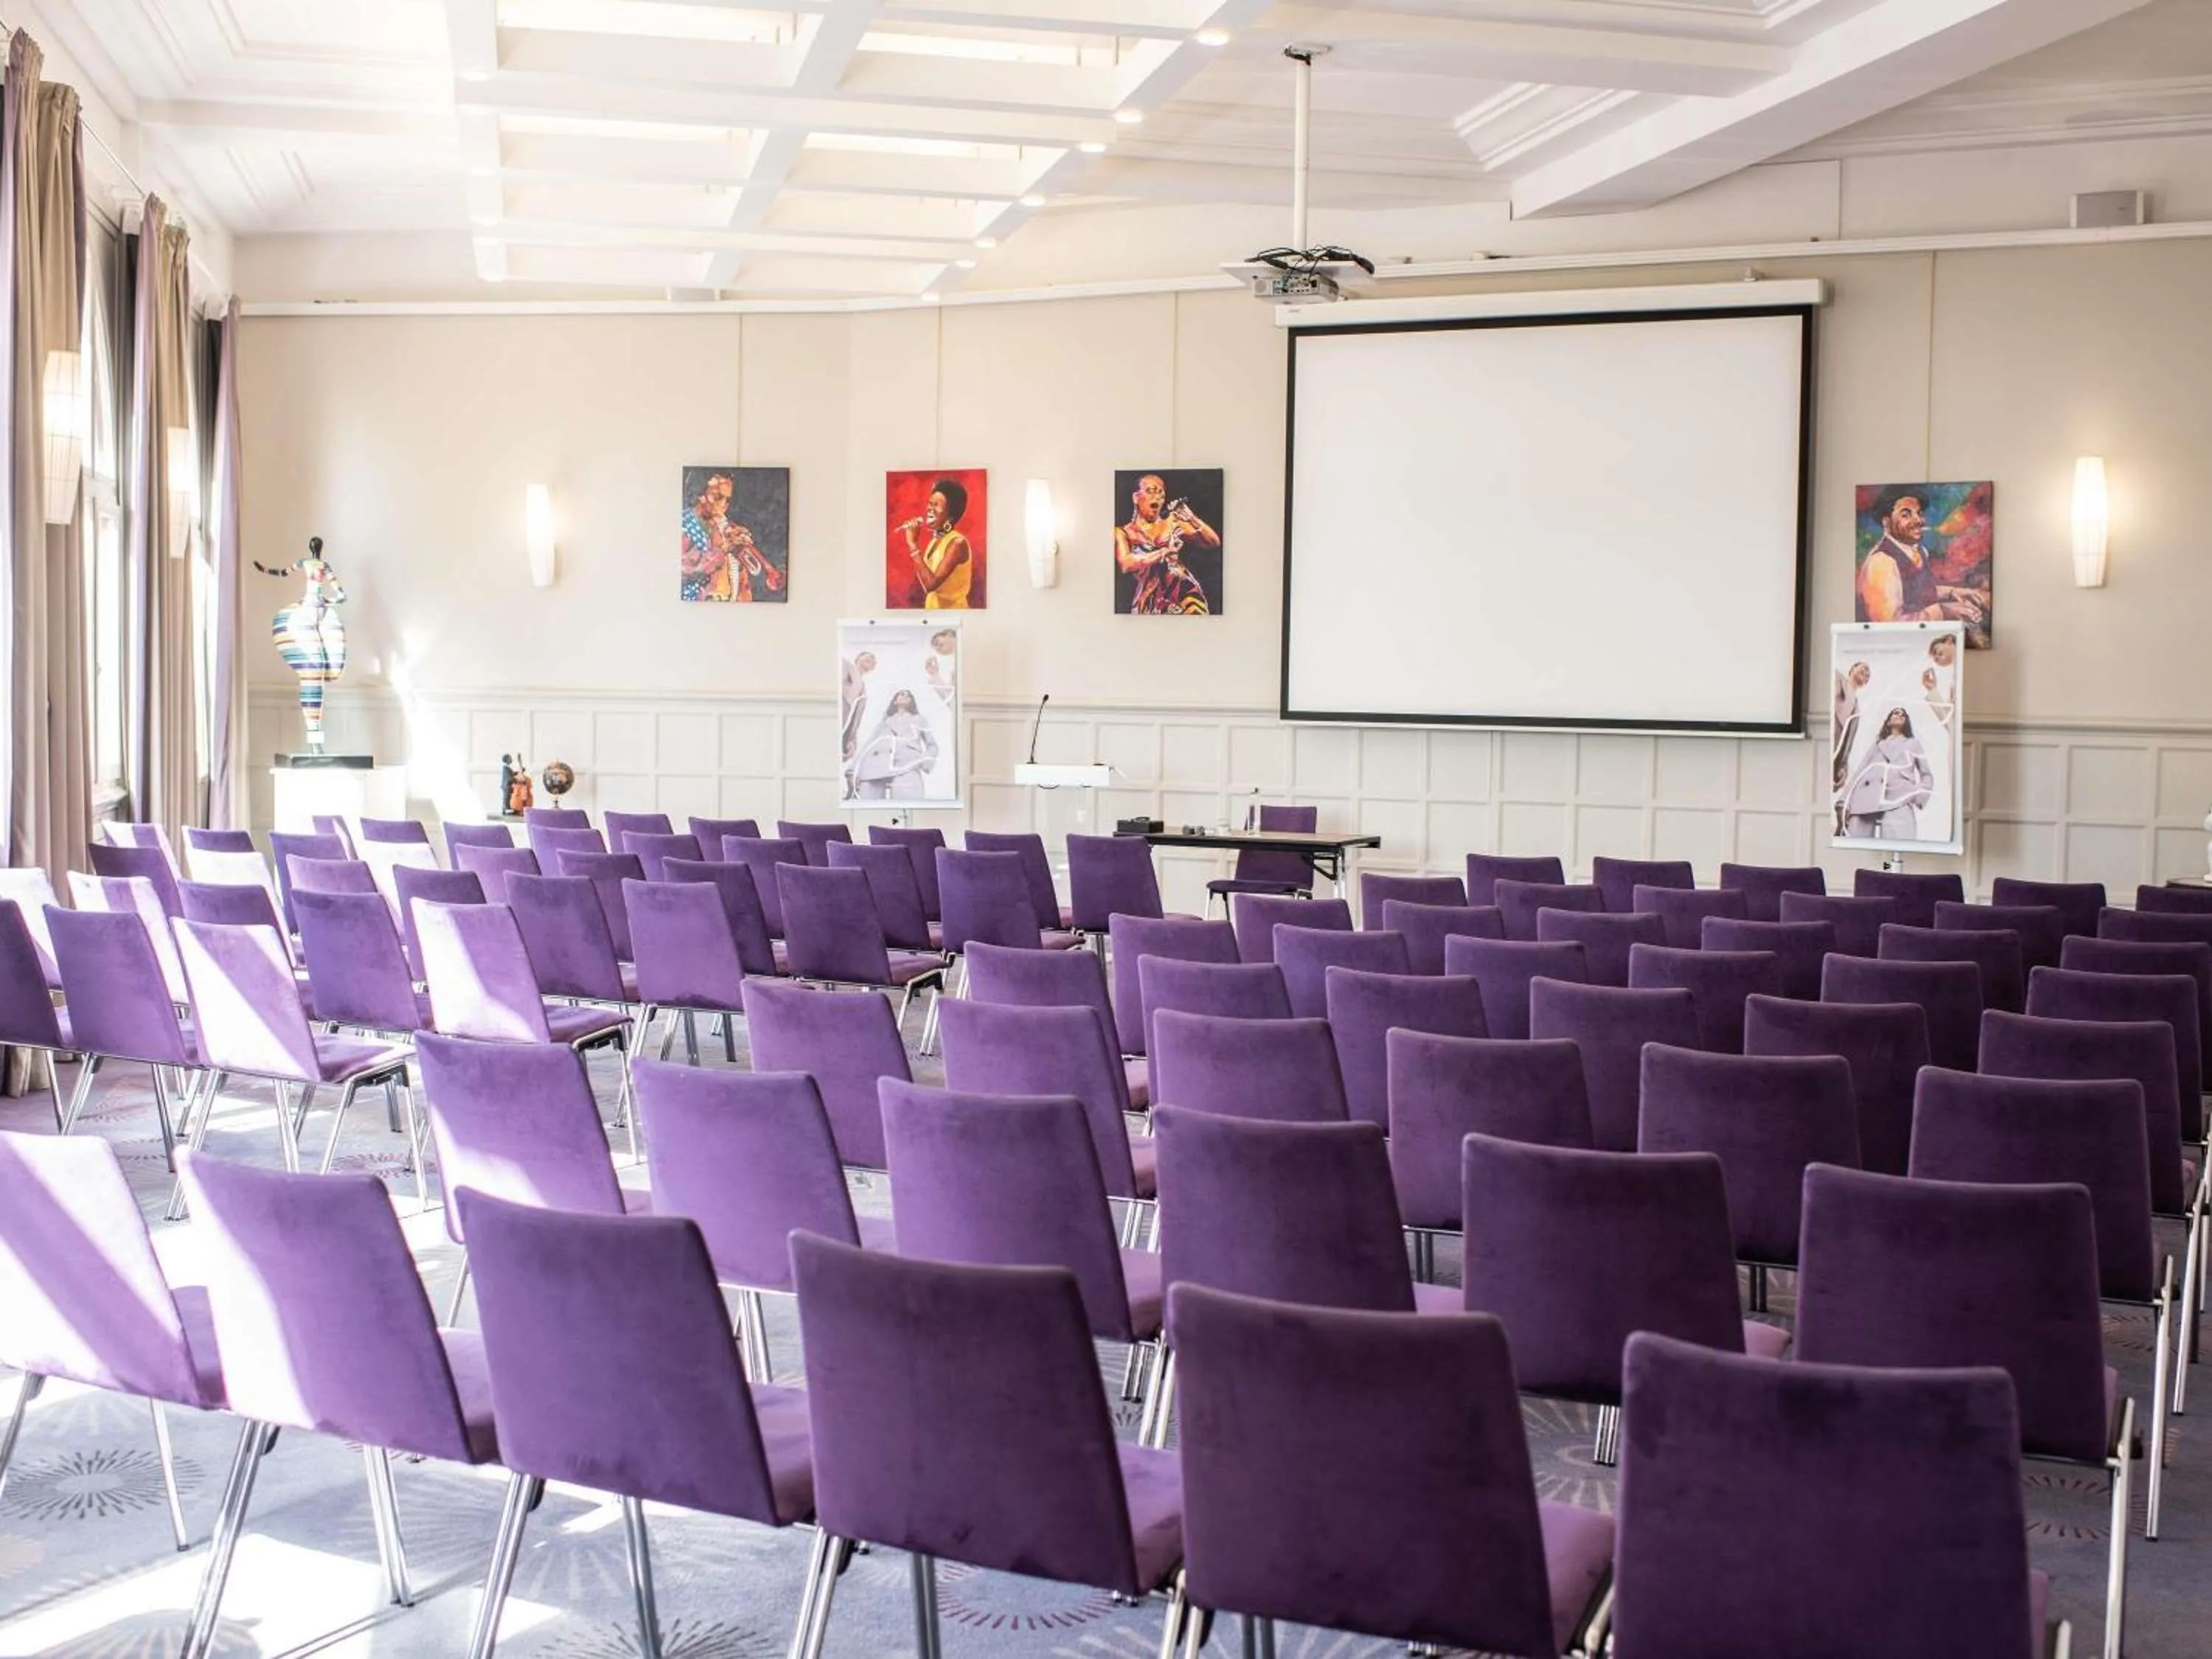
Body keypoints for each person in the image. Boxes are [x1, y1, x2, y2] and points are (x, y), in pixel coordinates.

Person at [1858, 489, 1985, 632]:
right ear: (1887, 523)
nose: (1918, 521)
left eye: (1919, 513)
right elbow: (1890, 624)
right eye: (1906, 515)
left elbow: (1914, 593)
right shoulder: (1881, 563)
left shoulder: (1919, 551)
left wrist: (1953, 592)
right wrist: (1944, 611)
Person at [1116, 473, 1220, 614]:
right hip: (1149, 601)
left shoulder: (1172, 523)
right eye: (1151, 491)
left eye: (1161, 494)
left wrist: (1192, 518)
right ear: (1136, 497)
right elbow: (1126, 564)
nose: (1157, 497)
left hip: (1184, 594)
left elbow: (1213, 542)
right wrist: (1165, 551)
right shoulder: (1123, 532)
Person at [1841, 708, 1933, 841]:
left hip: (1899, 798)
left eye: (1904, 715)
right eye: (1896, 713)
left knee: (1900, 844)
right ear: (1888, 721)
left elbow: (1926, 774)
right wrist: (1844, 802)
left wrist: (1917, 793)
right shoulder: (1878, 744)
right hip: (1866, 797)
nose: (1900, 715)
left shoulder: (1912, 744)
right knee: (1856, 848)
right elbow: (1860, 772)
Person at [850, 690, 939, 801]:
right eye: (901, 694)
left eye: (908, 696)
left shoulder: (918, 720)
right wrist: (854, 769)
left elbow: (932, 745)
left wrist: (924, 761)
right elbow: (869, 745)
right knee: (870, 803)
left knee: (909, 801)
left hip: (907, 764)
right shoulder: (885, 723)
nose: (904, 696)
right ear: (895, 701)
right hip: (877, 766)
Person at [898, 479, 974, 608]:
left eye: (936, 505)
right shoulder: (935, 541)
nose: (929, 509)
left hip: (953, 615)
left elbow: (930, 585)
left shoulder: (957, 543)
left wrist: (913, 545)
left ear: (950, 516)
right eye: (930, 503)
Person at [681, 473, 737, 602]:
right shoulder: (684, 523)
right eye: (718, 497)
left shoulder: (718, 526)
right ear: (700, 494)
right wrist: (723, 551)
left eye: (727, 501)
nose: (723, 505)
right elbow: (687, 568)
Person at [1831, 661, 1869, 832]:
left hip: (1835, 752)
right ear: (1851, 669)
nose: (1866, 672)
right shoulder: (1837, 678)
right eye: (1863, 668)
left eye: (1868, 674)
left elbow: (1849, 742)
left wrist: (1843, 766)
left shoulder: (1857, 709)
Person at [840, 651, 877, 762]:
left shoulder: (863, 693)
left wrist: (851, 741)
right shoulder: (843, 664)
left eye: (874, 660)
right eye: (868, 656)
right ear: (858, 658)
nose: (872, 659)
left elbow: (855, 721)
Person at [925, 629, 958, 706]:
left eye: (936, 642)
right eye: (935, 648)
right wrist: (935, 674)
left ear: (949, 635)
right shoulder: (955, 668)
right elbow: (952, 701)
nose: (937, 648)